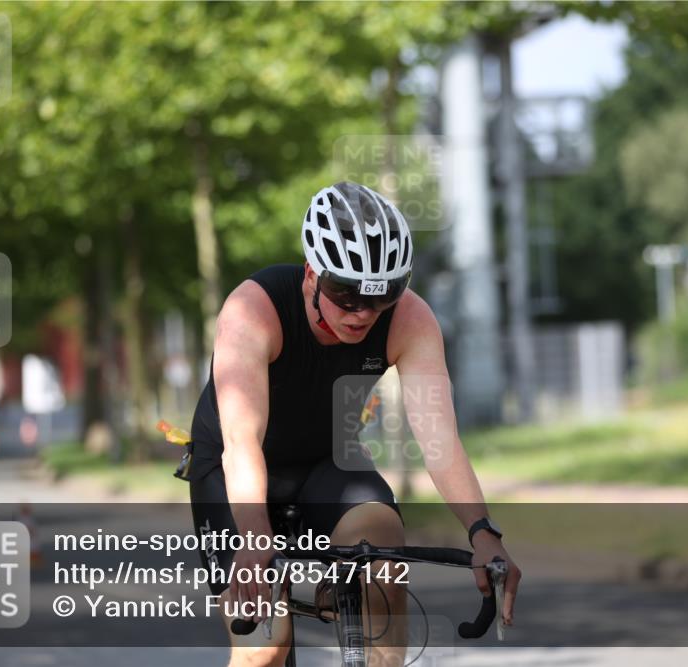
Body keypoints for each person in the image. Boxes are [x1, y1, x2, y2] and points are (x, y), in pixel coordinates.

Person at [188, 181, 521, 667]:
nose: (363, 313)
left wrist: (483, 531)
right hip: (231, 468)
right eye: (345, 293)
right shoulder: (252, 311)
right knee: (265, 647)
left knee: (382, 560)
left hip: (329, 463)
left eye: (382, 295)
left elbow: (439, 439)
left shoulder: (409, 320)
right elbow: (242, 441)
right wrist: (256, 539)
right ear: (312, 274)